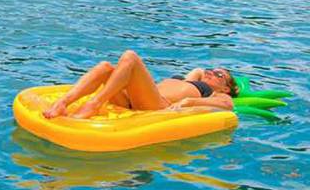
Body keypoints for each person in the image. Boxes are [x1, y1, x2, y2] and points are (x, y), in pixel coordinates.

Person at [42, 50, 237, 119]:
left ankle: (93, 104)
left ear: (225, 87)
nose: (211, 73)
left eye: (218, 74)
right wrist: (205, 73)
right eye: (211, 70)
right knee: (106, 67)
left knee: (130, 57)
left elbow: (228, 106)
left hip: (158, 105)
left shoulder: (215, 94)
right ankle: (63, 102)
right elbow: (198, 70)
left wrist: (190, 102)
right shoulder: (191, 80)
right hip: (134, 100)